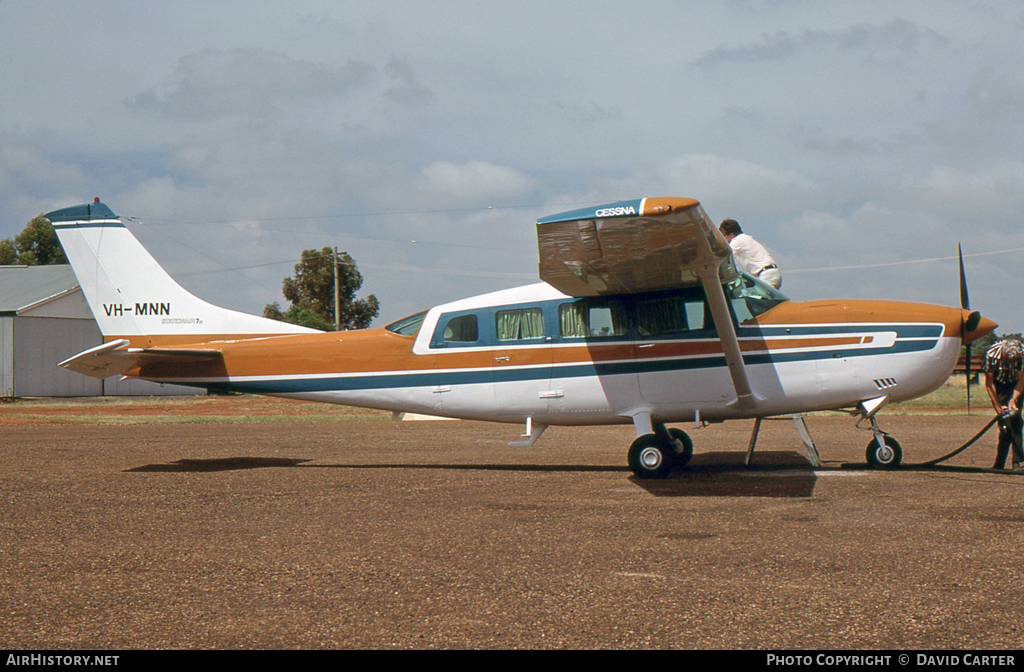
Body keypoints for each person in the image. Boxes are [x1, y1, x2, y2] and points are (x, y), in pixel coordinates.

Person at [983, 338, 1024, 470]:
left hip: (1015, 385)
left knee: (1016, 421)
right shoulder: (992, 354)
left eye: (1013, 361)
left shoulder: (1022, 354)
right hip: (999, 385)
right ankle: (999, 463)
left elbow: (1021, 380)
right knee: (1005, 424)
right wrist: (997, 405)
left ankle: (1018, 461)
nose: (1011, 362)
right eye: (1008, 360)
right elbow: (989, 383)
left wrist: (1013, 399)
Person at [718, 219, 782, 290]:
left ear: (731, 235)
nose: (724, 239)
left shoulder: (737, 241)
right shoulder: (745, 239)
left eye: (724, 236)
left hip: (766, 275)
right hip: (772, 273)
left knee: (756, 299)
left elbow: (724, 256)